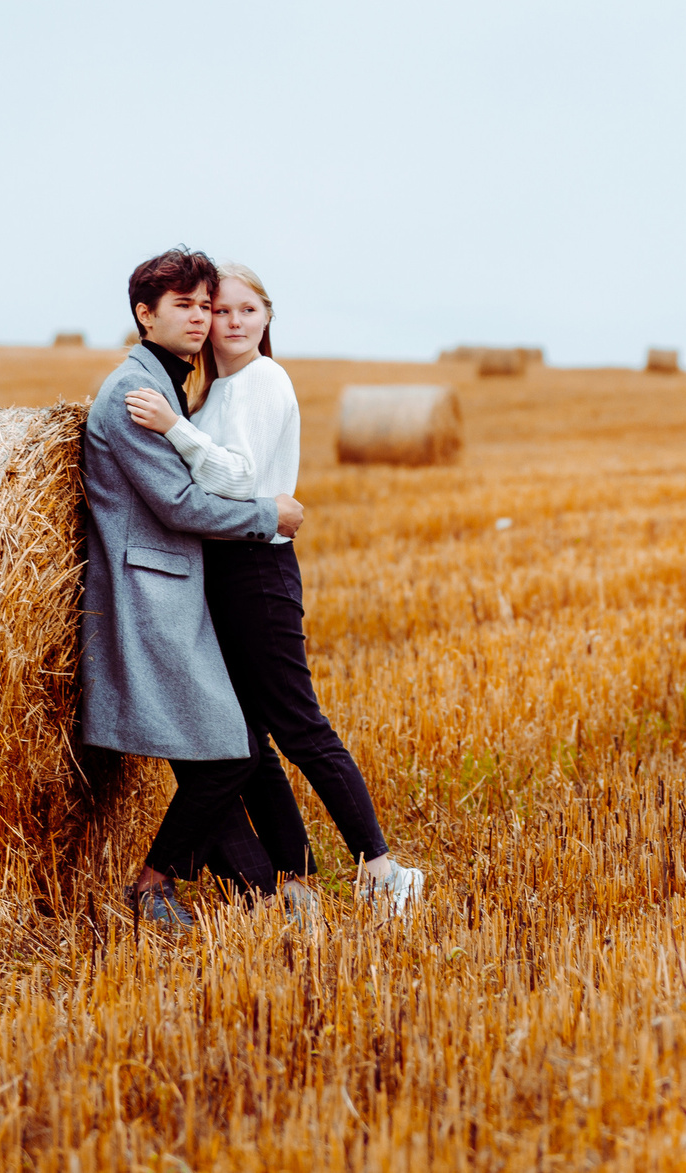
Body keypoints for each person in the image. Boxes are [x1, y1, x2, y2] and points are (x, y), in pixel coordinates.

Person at [124, 260, 427, 917]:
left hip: (258, 571)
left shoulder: (262, 380)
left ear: (266, 319)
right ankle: (293, 880)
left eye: (245, 310)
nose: (228, 321)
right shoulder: (214, 392)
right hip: (227, 571)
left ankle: (383, 868)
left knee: (298, 724)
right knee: (249, 740)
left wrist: (172, 428)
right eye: (217, 310)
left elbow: (234, 479)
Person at [75, 247, 304, 928]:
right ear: (145, 314)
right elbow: (177, 502)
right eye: (186, 304)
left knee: (220, 748)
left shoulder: (169, 383)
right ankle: (151, 885)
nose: (203, 317)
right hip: (153, 595)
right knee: (228, 746)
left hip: (178, 588)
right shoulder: (132, 391)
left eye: (208, 304)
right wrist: (269, 515)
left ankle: (262, 888)